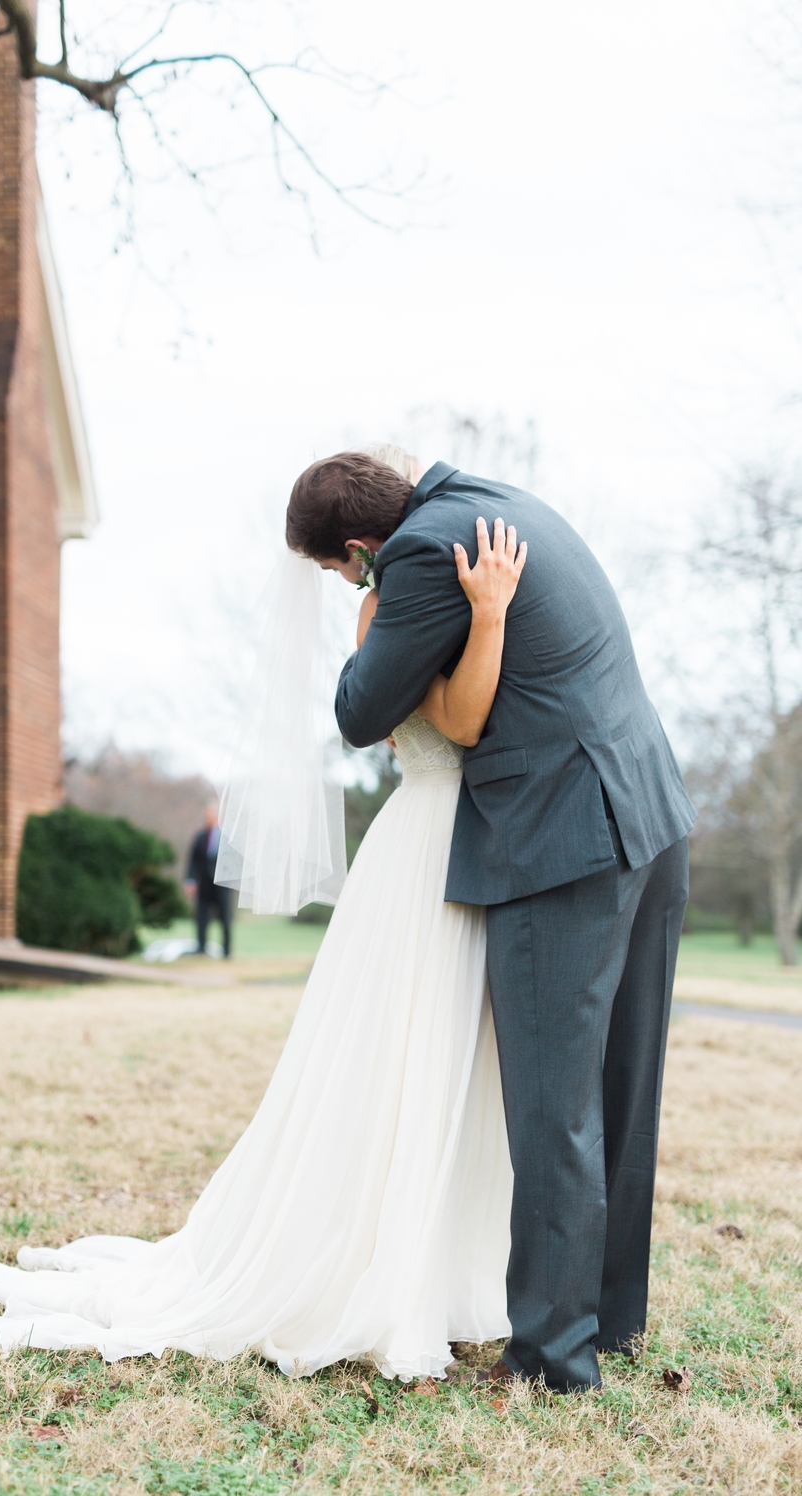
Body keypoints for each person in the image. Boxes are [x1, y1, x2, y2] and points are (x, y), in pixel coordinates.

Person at [0, 458, 528, 1382]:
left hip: (466, 841)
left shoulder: (415, 585)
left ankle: (439, 1261)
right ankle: (373, 1263)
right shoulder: (384, 613)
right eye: (337, 573)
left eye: (337, 568)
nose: (342, 585)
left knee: (450, 1059)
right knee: (402, 1052)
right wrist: (488, 616)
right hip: (428, 844)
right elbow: (463, 723)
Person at [298, 451, 695, 1393]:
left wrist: (380, 609)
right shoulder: (494, 504)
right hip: (646, 809)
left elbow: (361, 712)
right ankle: (610, 1321)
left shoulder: (422, 556)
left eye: (338, 569)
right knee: (619, 1088)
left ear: (358, 550)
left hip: (565, 838)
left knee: (555, 1103)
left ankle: (556, 1359)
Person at [185, 804, 233, 957]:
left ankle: (227, 951)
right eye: (205, 815)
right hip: (204, 883)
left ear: (218, 815)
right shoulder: (200, 836)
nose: (207, 818)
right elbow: (193, 860)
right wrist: (190, 881)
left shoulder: (228, 836)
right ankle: (201, 948)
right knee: (202, 917)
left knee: (225, 918)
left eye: (210, 814)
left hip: (223, 884)